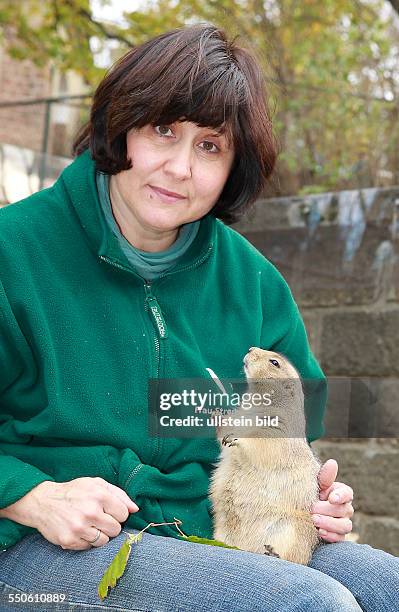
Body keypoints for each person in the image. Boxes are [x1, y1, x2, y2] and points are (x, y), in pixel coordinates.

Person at [0, 23, 397, 612]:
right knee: (306, 604)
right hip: (37, 546)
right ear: (122, 127)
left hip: (210, 527)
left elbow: (287, 434)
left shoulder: (255, 284)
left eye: (210, 146)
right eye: (164, 130)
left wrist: (311, 497)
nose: (180, 167)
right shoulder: (15, 252)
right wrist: (27, 495)